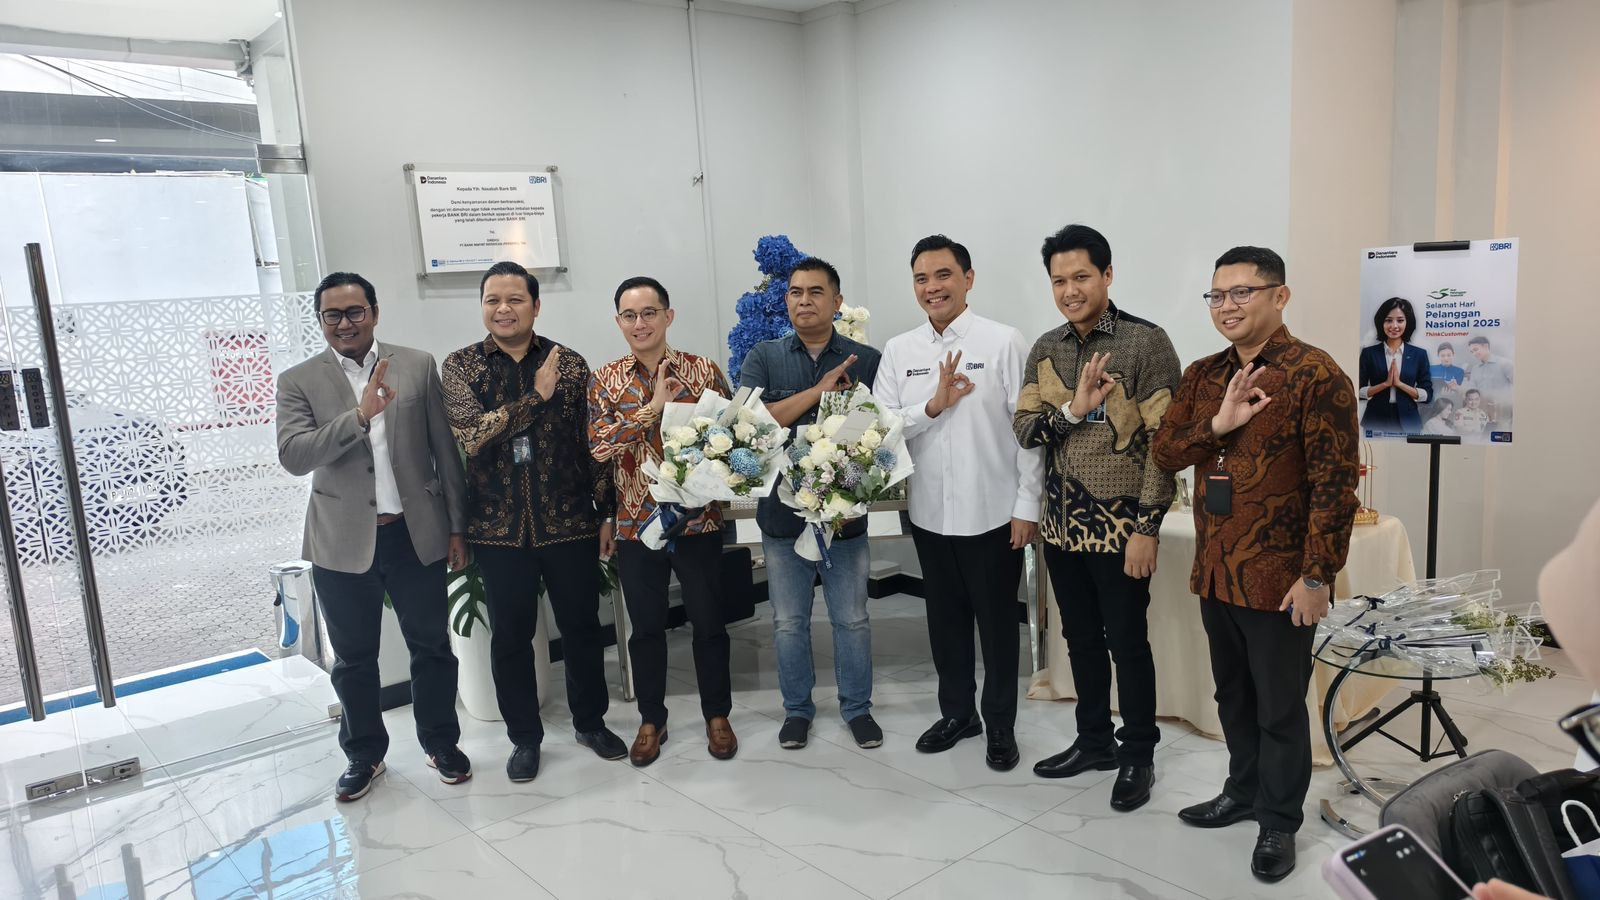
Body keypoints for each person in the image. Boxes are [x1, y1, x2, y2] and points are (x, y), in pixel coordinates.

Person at [1151, 246, 1360, 883]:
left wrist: (1318, 575)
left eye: (1242, 292)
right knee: (1233, 695)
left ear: (1280, 296)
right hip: (1217, 569)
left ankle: (1279, 819)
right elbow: (1165, 451)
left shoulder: (1316, 375)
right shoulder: (1203, 373)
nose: (1228, 306)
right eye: (1217, 295)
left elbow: (1335, 486)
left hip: (1280, 579)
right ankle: (1242, 791)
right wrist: (1218, 424)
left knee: (1279, 706)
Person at [276, 271, 470, 802]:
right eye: (332, 315)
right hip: (341, 540)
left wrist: (457, 526)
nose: (345, 323)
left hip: (415, 533)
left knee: (432, 646)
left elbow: (443, 450)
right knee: (354, 658)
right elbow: (294, 455)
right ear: (320, 321)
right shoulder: (298, 380)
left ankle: (441, 743)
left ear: (375, 313)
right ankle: (364, 755)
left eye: (355, 311)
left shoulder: (417, 364)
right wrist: (359, 416)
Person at [1013, 224, 1181, 812]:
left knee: (1127, 644)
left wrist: (1146, 528)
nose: (1070, 290)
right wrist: (1072, 408)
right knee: (1079, 639)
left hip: (1121, 529)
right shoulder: (1046, 347)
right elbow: (1025, 429)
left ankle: (1138, 753)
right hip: (1061, 527)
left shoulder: (1145, 343)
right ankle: (1093, 742)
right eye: (1059, 280)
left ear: (1107, 275)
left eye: (1081, 276)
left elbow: (1165, 446)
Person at [441, 261, 626, 782]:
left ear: (536, 306)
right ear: (482, 307)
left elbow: (593, 444)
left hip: (570, 523)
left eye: (515, 299)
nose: (503, 309)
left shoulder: (570, 364)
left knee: (582, 628)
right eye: (493, 300)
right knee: (511, 637)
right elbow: (472, 435)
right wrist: (535, 398)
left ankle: (590, 723)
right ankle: (524, 737)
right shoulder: (461, 367)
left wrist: (606, 511)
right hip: (498, 530)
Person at [875, 235, 1043, 772]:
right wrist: (932, 406)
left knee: (997, 627)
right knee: (944, 624)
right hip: (929, 515)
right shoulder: (900, 350)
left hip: (993, 514)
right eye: (922, 278)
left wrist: (1028, 505)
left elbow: (1029, 432)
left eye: (943, 275)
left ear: (968, 279)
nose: (933, 287)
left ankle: (999, 724)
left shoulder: (1004, 342)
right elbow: (881, 429)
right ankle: (957, 714)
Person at [587, 275, 738, 767]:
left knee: (709, 623)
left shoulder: (702, 370)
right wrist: (652, 409)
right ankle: (652, 719)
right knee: (646, 629)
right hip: (636, 524)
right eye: (629, 315)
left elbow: (733, 434)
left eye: (649, 313)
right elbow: (600, 447)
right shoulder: (605, 379)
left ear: (668, 316)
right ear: (618, 322)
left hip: (698, 520)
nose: (640, 323)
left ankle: (718, 715)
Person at [737, 256, 884, 751]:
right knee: (787, 623)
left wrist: (837, 470)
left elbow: (877, 426)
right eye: (796, 292)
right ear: (786, 300)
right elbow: (752, 423)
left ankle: (857, 709)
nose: (805, 300)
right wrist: (818, 392)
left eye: (816, 292)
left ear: (837, 301)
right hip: (782, 519)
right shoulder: (764, 357)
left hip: (844, 517)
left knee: (853, 620)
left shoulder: (866, 360)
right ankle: (797, 711)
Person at [1358, 297, 1432, 434]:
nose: (1394, 326)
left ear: (1408, 322)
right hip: (1375, 418)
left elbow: (1427, 395)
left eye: (1400, 320)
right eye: (1388, 320)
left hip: (1409, 420)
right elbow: (1359, 391)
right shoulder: (1369, 353)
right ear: (1381, 322)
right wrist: (1385, 384)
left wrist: (1400, 384)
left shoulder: (1419, 354)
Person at [1465, 334, 1514, 425]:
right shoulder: (1475, 369)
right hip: (1481, 416)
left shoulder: (1505, 363)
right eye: (1472, 352)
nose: (1474, 354)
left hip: (1503, 414)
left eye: (1476, 349)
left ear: (1486, 346)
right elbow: (1471, 391)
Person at [1429, 341, 1466, 413]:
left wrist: (1456, 389)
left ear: (1453, 355)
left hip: (1452, 403)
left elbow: (1459, 392)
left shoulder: (1459, 371)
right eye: (1442, 356)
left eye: (1449, 355)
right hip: (1433, 403)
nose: (1446, 358)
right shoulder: (1431, 369)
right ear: (1438, 356)